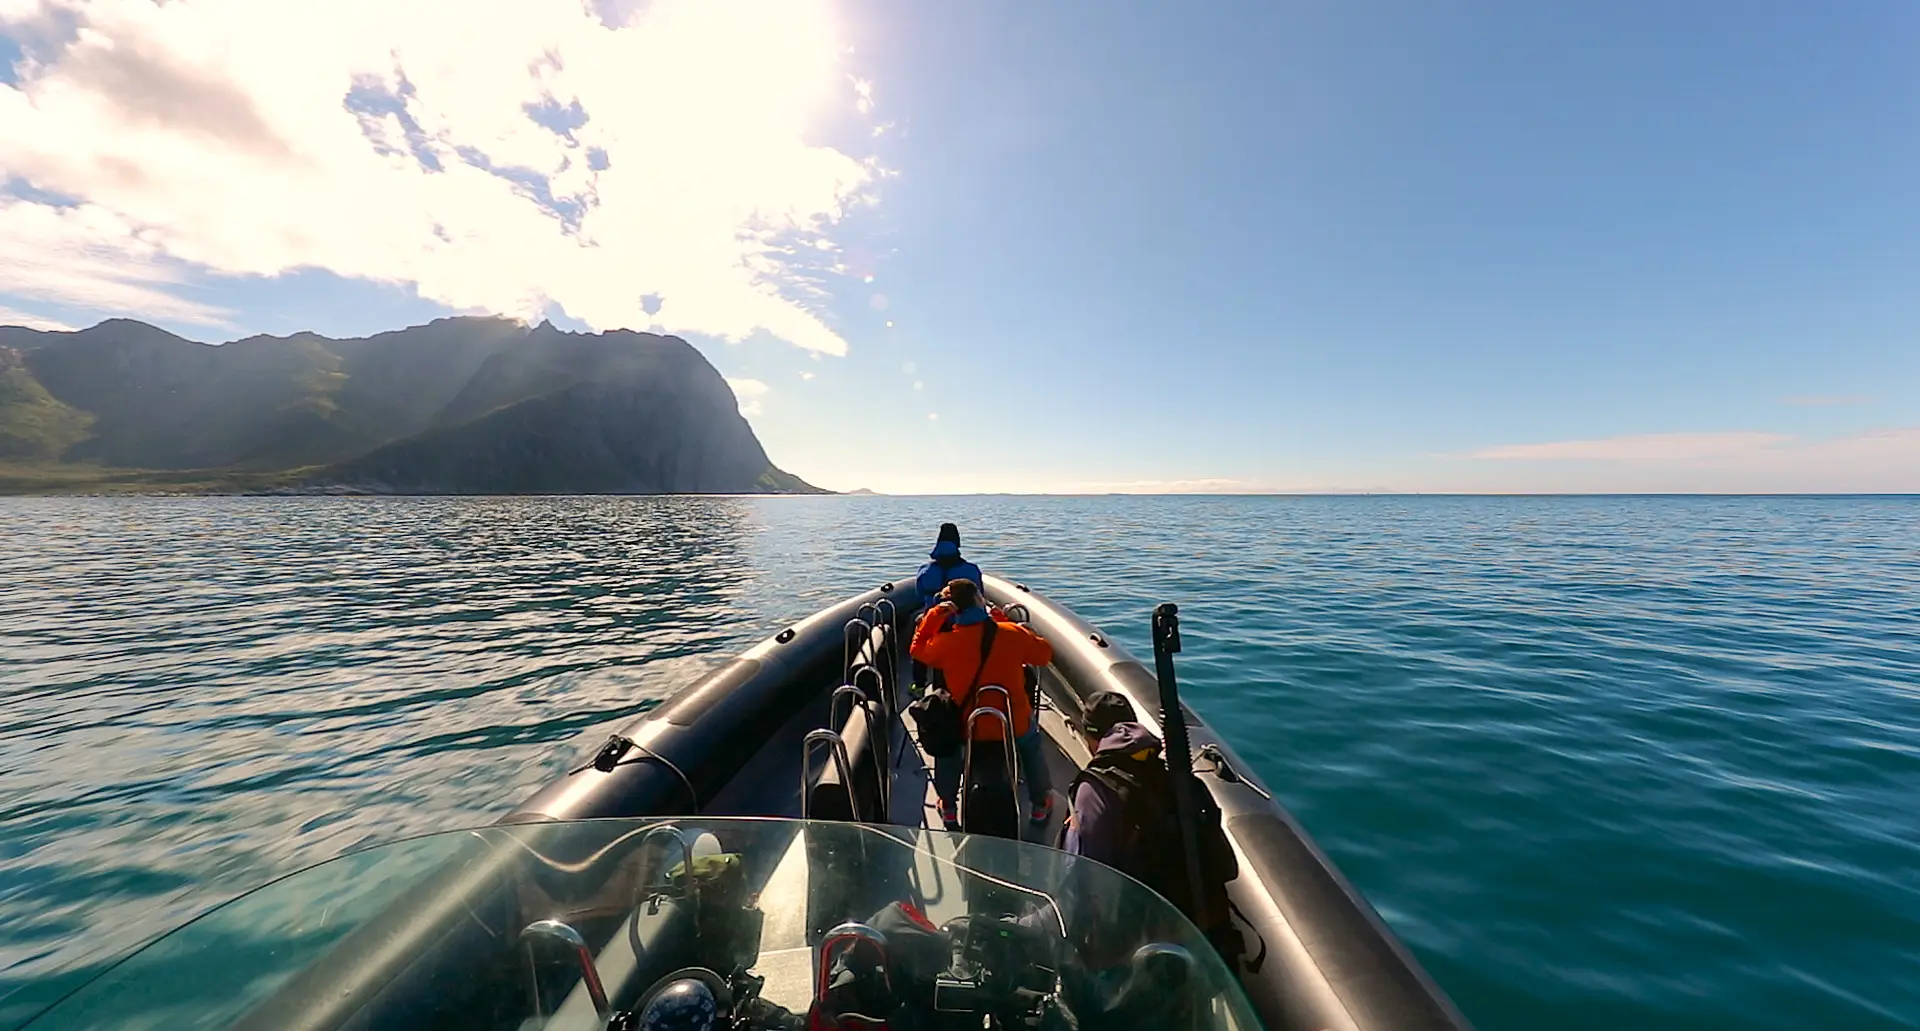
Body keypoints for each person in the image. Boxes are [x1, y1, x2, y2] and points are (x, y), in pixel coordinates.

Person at [1064, 691, 1243, 968]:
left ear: (1091, 738)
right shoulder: (1179, 783)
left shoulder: (1093, 792)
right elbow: (1228, 867)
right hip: (1200, 938)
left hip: (1136, 950)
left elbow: (1078, 883)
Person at [909, 578, 1055, 829]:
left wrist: (934, 615)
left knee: (949, 752)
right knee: (1031, 747)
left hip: (967, 726)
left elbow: (917, 648)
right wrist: (1003, 621)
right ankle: (1040, 805)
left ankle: (948, 806)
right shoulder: (1011, 634)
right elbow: (1044, 654)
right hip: (1013, 723)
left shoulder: (945, 643)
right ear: (979, 600)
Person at [910, 523, 986, 694]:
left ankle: (918, 684)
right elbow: (979, 594)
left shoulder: (925, 570)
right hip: (962, 623)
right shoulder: (971, 570)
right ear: (957, 543)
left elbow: (919, 594)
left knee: (920, 632)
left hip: (934, 620)